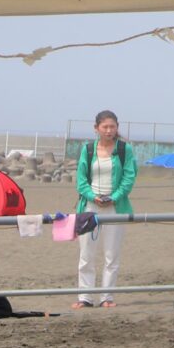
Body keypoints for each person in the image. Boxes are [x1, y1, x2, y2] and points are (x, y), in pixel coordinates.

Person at [73, 109, 138, 309]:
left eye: (112, 127)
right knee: (86, 254)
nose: (109, 130)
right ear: (97, 128)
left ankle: (106, 297)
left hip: (115, 207)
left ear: (117, 128)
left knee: (112, 254)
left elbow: (129, 177)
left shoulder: (124, 149)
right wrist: (93, 197)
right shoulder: (88, 149)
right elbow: (81, 179)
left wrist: (114, 197)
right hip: (90, 206)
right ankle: (85, 296)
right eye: (105, 127)